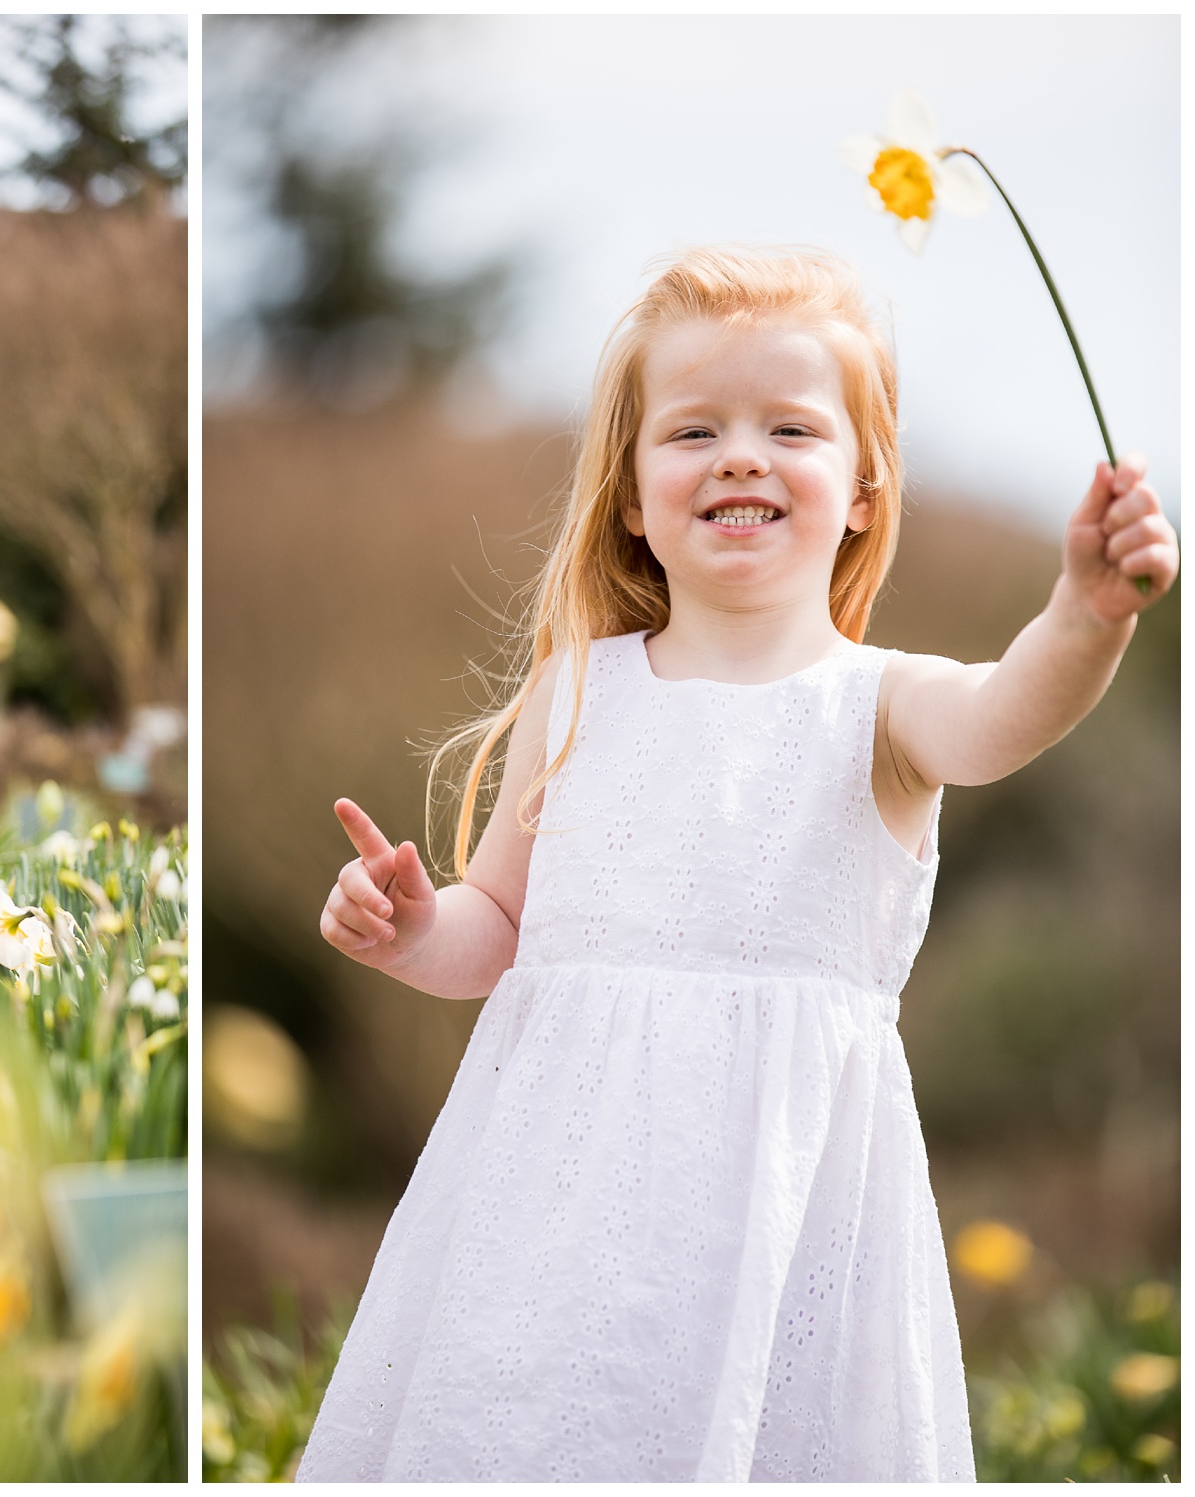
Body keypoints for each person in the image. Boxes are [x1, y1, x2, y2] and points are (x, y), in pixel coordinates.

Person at [299, 246, 1177, 1481]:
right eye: (692, 429)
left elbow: (1003, 716)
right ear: (627, 493)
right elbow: (496, 925)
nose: (740, 455)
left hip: (782, 1214)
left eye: (791, 428)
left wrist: (1083, 616)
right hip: (551, 1209)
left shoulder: (879, 706)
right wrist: (410, 931)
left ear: (865, 489)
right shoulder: (572, 695)